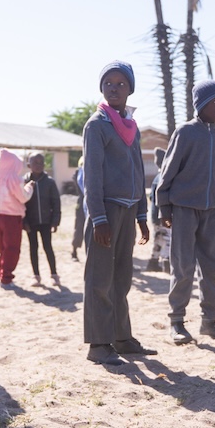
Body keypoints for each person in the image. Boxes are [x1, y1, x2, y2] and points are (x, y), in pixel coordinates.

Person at [157, 80, 215, 346]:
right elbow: (168, 171)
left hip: (212, 213)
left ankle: (210, 322)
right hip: (184, 210)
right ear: (200, 104)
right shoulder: (185, 132)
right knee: (182, 267)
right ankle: (177, 321)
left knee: (212, 269)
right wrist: (164, 206)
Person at [81, 61, 154, 365]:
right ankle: (98, 344)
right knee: (99, 278)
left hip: (128, 209)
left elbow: (138, 171)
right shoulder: (97, 125)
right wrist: (99, 218)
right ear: (101, 88)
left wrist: (142, 214)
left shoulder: (131, 126)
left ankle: (122, 338)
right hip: (106, 211)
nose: (114, 88)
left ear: (130, 89)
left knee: (122, 277)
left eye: (121, 83)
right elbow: (92, 175)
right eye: (108, 83)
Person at [0, 148, 34, 288]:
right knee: (12, 248)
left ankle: (2, 272)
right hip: (13, 217)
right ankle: (6, 277)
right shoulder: (14, 178)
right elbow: (23, 197)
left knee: (2, 248)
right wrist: (29, 187)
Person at [24, 152, 62, 287]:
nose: (38, 165)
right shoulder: (24, 182)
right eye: (35, 163)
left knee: (48, 247)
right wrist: (24, 222)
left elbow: (56, 202)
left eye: (41, 163)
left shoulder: (50, 182)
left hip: (46, 221)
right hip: (31, 222)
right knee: (33, 248)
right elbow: (21, 203)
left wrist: (55, 221)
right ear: (29, 165)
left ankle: (54, 275)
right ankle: (36, 276)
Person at [147, 148, 171, 273]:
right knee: (168, 239)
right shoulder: (165, 177)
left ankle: (153, 261)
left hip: (154, 214)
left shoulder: (156, 177)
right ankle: (167, 263)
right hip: (163, 214)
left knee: (157, 238)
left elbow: (151, 197)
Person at [71, 161, 85, 262]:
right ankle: (74, 252)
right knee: (79, 227)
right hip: (82, 203)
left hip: (92, 202)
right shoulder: (79, 172)